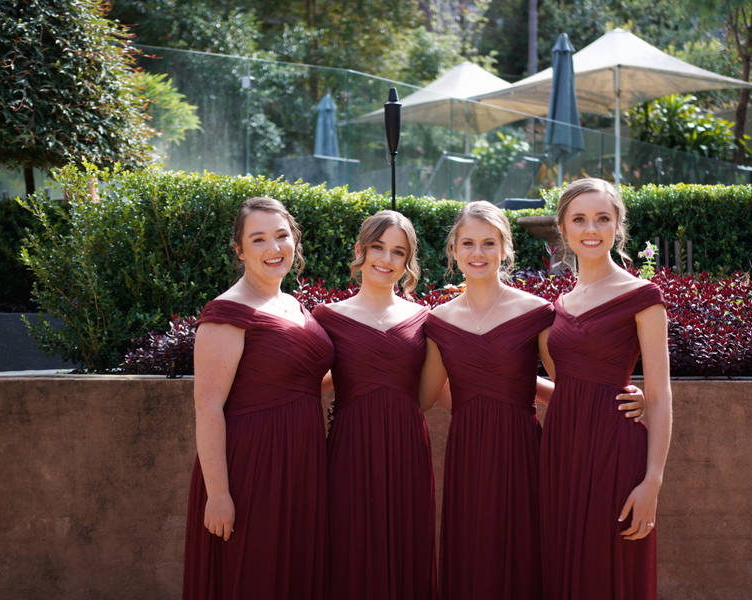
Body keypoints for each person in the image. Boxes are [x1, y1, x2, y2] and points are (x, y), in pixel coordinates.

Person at [421, 201, 645, 599]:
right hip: (468, 451)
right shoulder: (438, 321)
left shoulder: (536, 312)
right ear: (453, 250)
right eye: (468, 243)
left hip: (524, 448)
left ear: (505, 249)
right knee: (473, 552)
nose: (478, 253)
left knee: (526, 552)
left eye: (489, 243)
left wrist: (624, 397)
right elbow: (425, 394)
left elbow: (569, 383)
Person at [183, 197, 334, 599]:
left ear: (295, 241)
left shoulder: (294, 306)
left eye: (282, 236)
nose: (274, 249)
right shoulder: (227, 313)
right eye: (259, 239)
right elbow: (208, 406)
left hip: (303, 463)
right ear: (240, 250)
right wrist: (218, 495)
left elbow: (297, 381)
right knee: (253, 574)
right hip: (253, 466)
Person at [538, 178, 673, 599]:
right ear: (563, 229)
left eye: (602, 218)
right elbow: (567, 386)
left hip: (615, 451)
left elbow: (659, 395)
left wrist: (652, 482)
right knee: (564, 569)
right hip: (560, 451)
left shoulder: (642, 296)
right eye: (579, 219)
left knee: (611, 569)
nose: (590, 229)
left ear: (618, 226)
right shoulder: (560, 305)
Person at [312, 210, 436, 600]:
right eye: (378, 247)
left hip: (408, 448)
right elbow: (304, 384)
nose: (386, 259)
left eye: (397, 252)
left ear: (408, 261)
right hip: (350, 447)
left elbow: (444, 388)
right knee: (349, 545)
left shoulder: (426, 320)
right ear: (360, 251)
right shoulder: (327, 318)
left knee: (408, 544)